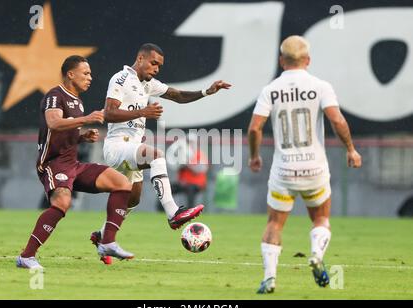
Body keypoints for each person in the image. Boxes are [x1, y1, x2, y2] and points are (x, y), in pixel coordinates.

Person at [90, 43, 230, 257]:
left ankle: (102, 236)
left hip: (132, 147)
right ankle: (173, 213)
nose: (156, 69)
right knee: (156, 156)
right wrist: (144, 112)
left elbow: (177, 95)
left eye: (159, 66)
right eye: (153, 63)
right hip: (117, 145)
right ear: (140, 58)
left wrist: (206, 91)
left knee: (132, 199)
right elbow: (108, 113)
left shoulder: (147, 84)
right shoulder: (121, 79)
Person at [247, 35, 362, 294]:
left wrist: (254, 156)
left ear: (281, 60)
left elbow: (255, 128)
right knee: (320, 218)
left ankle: (270, 277)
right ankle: (316, 254)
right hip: (315, 169)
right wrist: (351, 150)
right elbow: (337, 120)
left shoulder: (271, 89)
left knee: (274, 224)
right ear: (308, 60)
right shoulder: (320, 86)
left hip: (284, 170)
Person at [16, 55, 134, 270]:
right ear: (71, 74)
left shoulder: (77, 101)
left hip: (73, 164)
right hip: (53, 163)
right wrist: (86, 119)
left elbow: (64, 132)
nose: (90, 77)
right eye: (86, 73)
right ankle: (26, 256)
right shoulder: (55, 95)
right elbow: (53, 122)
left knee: (123, 183)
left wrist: (81, 137)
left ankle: (107, 241)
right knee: (62, 203)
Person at [158, 132, 209, 210]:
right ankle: (162, 210)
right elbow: (175, 167)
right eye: (188, 142)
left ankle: (190, 210)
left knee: (190, 190)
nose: (189, 144)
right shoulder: (182, 154)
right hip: (183, 183)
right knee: (167, 189)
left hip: (196, 184)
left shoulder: (200, 154)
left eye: (191, 142)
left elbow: (201, 170)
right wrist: (179, 163)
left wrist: (188, 164)